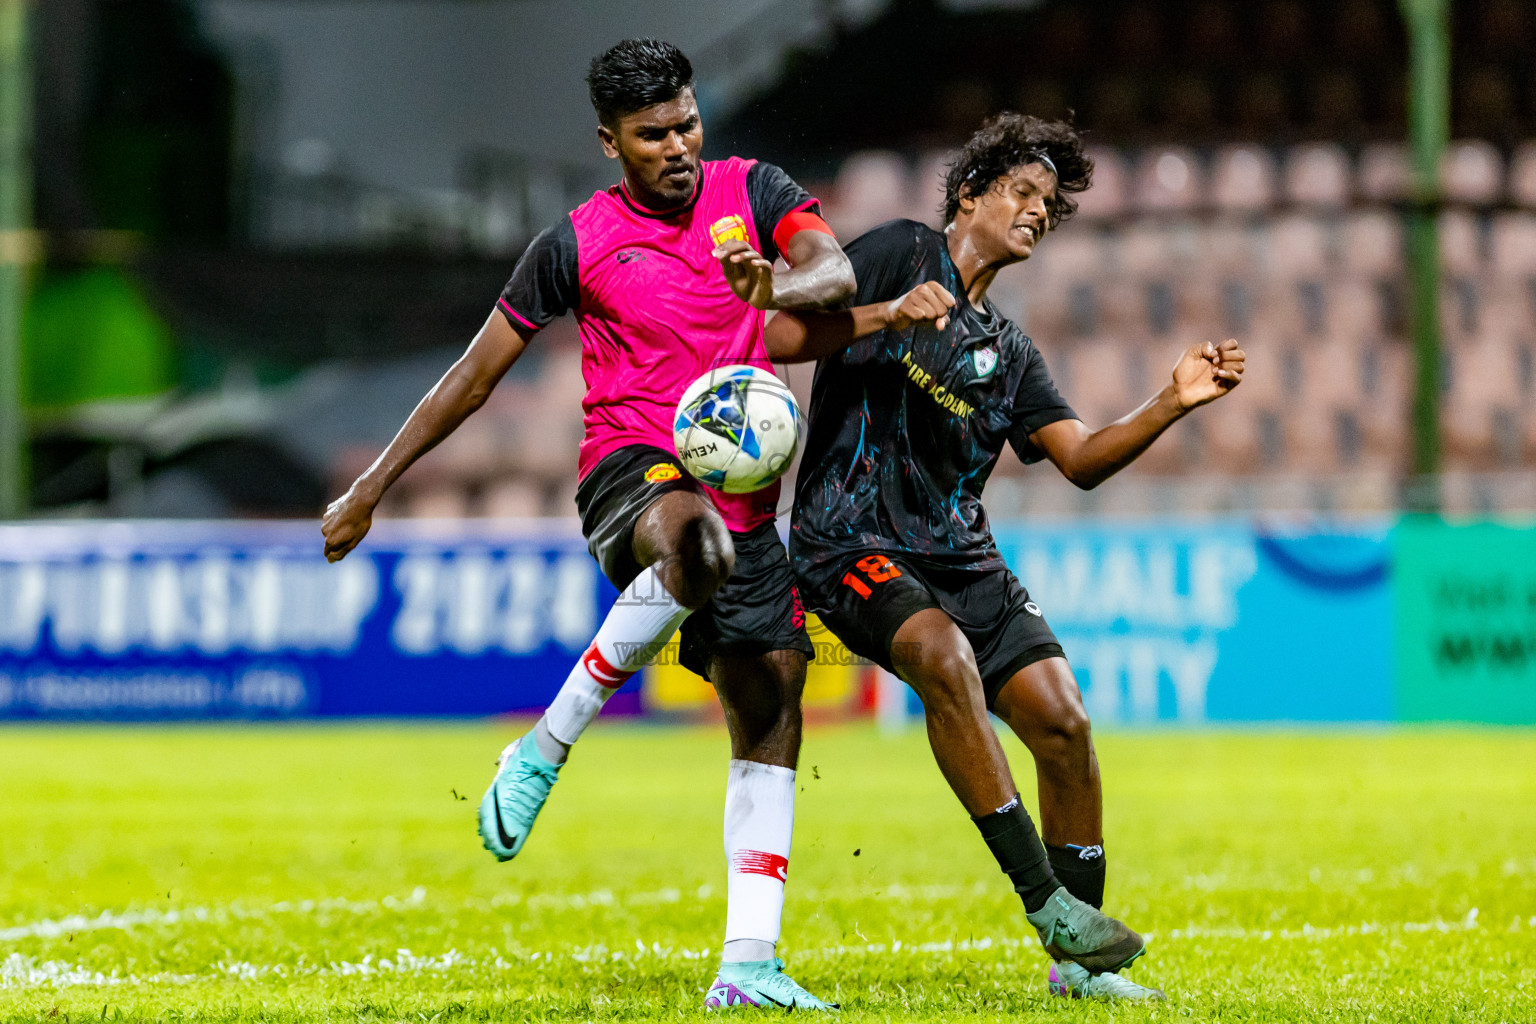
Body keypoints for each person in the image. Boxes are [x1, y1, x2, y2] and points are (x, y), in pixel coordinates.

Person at [321, 39, 854, 1011]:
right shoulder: (576, 242)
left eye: (687, 123)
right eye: (654, 135)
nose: (680, 146)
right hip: (632, 472)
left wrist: (768, 287)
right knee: (697, 545)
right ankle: (548, 742)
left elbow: (835, 275)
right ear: (609, 141)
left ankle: (747, 966)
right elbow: (474, 375)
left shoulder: (756, 191)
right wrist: (373, 484)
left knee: (772, 698)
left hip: (745, 490)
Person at [766, 113, 1245, 1001]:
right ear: (968, 194)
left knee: (1063, 720)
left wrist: (1172, 402)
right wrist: (881, 313)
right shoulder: (900, 253)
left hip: (960, 557)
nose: (1035, 212)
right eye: (1020, 192)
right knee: (941, 656)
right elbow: (780, 338)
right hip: (848, 538)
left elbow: (1081, 460)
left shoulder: (1011, 352)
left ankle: (1080, 969)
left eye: (1048, 205)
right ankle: (1047, 905)